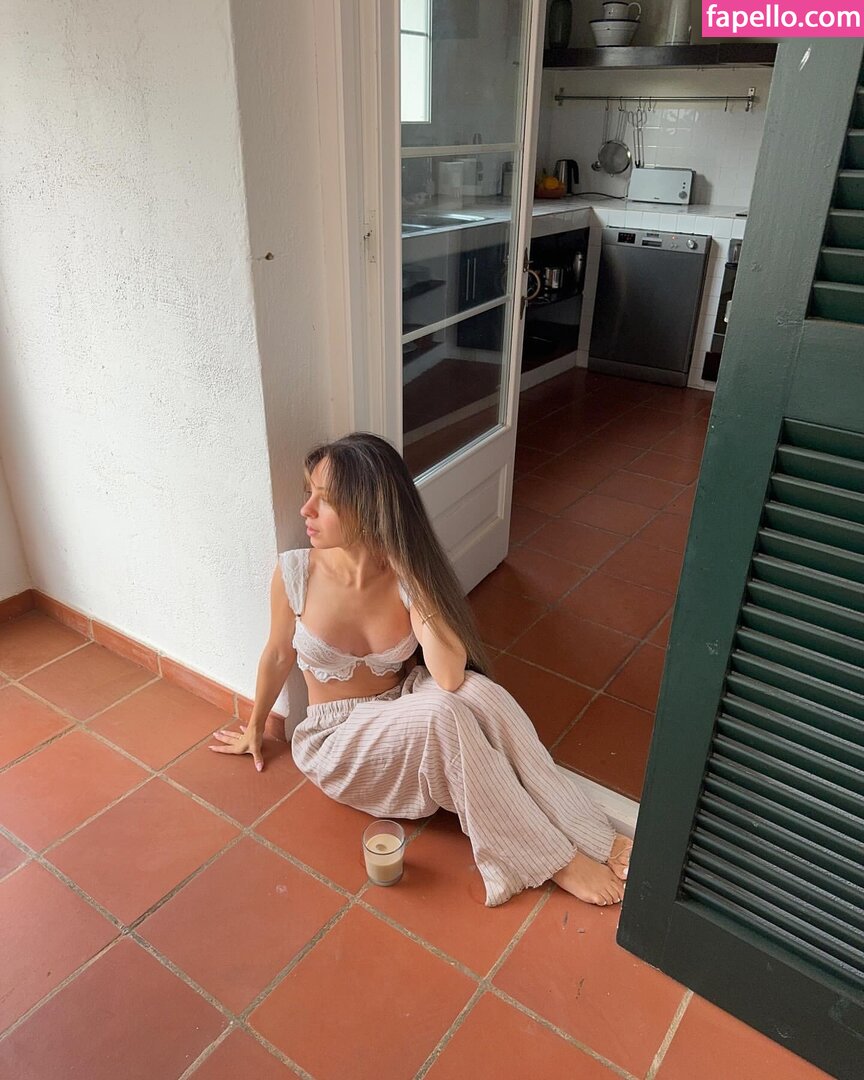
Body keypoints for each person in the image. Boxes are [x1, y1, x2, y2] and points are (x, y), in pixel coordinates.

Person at [210, 432, 632, 907]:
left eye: (324, 500)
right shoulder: (295, 573)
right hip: (338, 742)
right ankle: (553, 860)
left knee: (480, 693)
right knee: (442, 716)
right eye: (309, 493)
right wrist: (254, 727)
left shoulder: (402, 575)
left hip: (403, 709)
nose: (306, 509)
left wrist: (411, 574)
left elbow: (449, 677)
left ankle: (594, 834)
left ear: (368, 508)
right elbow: (276, 654)